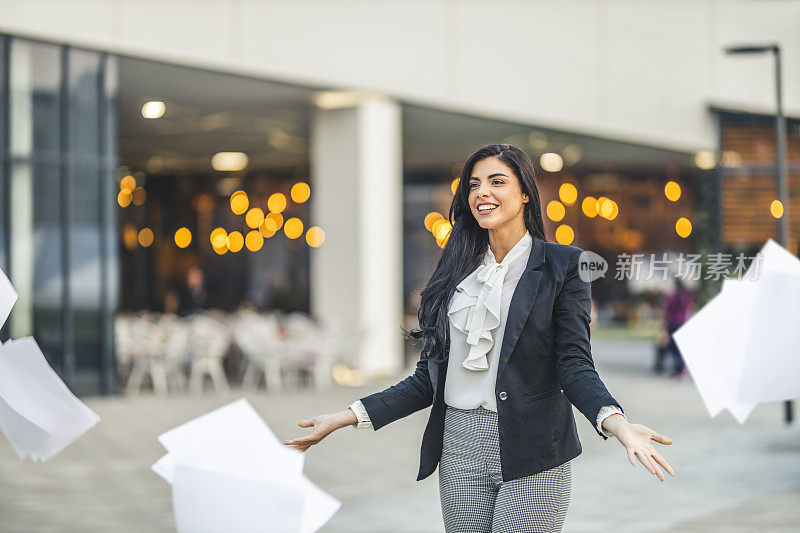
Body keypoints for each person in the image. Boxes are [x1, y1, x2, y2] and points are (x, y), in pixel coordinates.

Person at [284, 144, 675, 532]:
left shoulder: (564, 264)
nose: (482, 192)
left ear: (524, 194)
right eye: (473, 184)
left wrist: (617, 423)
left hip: (533, 446)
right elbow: (427, 379)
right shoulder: (453, 272)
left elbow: (573, 363)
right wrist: (344, 417)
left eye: (497, 181)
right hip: (459, 445)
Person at [662, 277, 694, 379]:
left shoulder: (673, 296)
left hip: (673, 323)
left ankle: (678, 369)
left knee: (674, 347)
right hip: (683, 323)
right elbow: (690, 308)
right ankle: (683, 369)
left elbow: (667, 309)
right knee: (681, 347)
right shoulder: (687, 295)